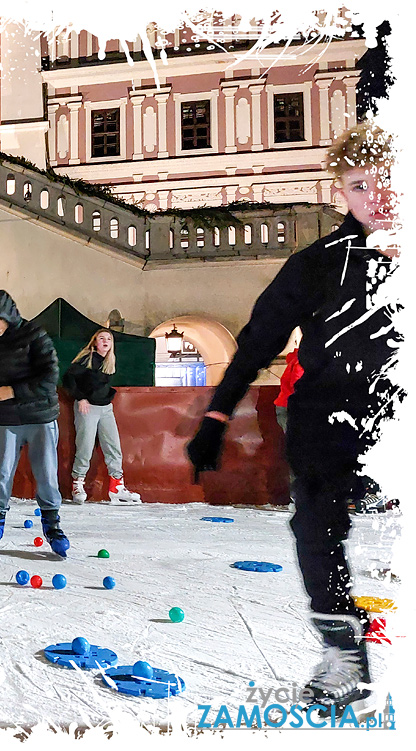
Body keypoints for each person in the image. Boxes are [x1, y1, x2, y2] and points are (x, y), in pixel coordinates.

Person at [186, 121, 399, 717]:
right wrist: (216, 416)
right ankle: (342, 652)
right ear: (342, 194)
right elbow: (256, 342)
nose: (374, 196)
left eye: (385, 180)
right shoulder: (316, 264)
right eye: (359, 185)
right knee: (315, 532)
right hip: (329, 424)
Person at [0, 290, 67, 558]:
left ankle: (53, 526)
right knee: (1, 475)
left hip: (40, 418)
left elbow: (51, 376)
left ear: (6, 316)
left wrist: (15, 391)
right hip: (7, 420)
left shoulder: (35, 335)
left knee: (46, 474)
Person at [62, 329, 141, 505]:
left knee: (113, 446)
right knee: (85, 446)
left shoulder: (109, 362)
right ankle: (78, 484)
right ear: (94, 342)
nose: (105, 341)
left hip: (105, 408)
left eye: (109, 339)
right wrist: (80, 397)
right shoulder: (87, 358)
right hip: (88, 408)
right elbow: (68, 378)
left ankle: (117, 487)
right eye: (101, 338)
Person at [274, 345, 303, 504]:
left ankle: (299, 493)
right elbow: (300, 386)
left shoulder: (297, 359)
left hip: (286, 407)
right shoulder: (303, 360)